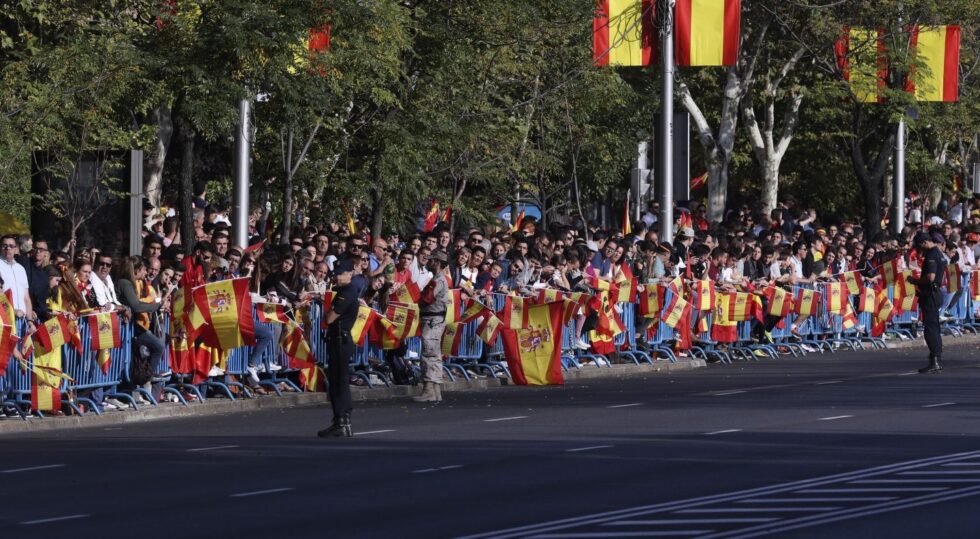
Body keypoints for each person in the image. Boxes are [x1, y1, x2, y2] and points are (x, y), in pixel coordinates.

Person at [318, 259, 359, 438]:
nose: (337, 276)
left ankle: (341, 420)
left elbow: (330, 318)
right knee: (338, 381)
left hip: (340, 340)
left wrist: (325, 307)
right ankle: (342, 420)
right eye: (336, 272)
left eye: (341, 273)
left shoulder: (347, 292)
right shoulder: (343, 291)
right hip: (338, 339)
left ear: (350, 273)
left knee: (339, 382)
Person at [414, 250, 448, 403]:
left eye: (431, 260)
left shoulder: (438, 280)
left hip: (432, 320)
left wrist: (418, 300)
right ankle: (435, 391)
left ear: (437, 262)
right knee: (434, 355)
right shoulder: (438, 278)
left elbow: (427, 298)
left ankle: (428, 389)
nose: (428, 262)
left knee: (429, 354)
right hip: (434, 319)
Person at [912, 231, 947, 374]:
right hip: (935, 292)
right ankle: (935, 359)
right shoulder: (938, 253)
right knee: (934, 326)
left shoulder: (932, 254)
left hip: (931, 293)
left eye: (920, 247)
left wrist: (915, 281)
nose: (920, 251)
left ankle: (935, 360)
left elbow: (931, 277)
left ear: (924, 243)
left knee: (931, 328)